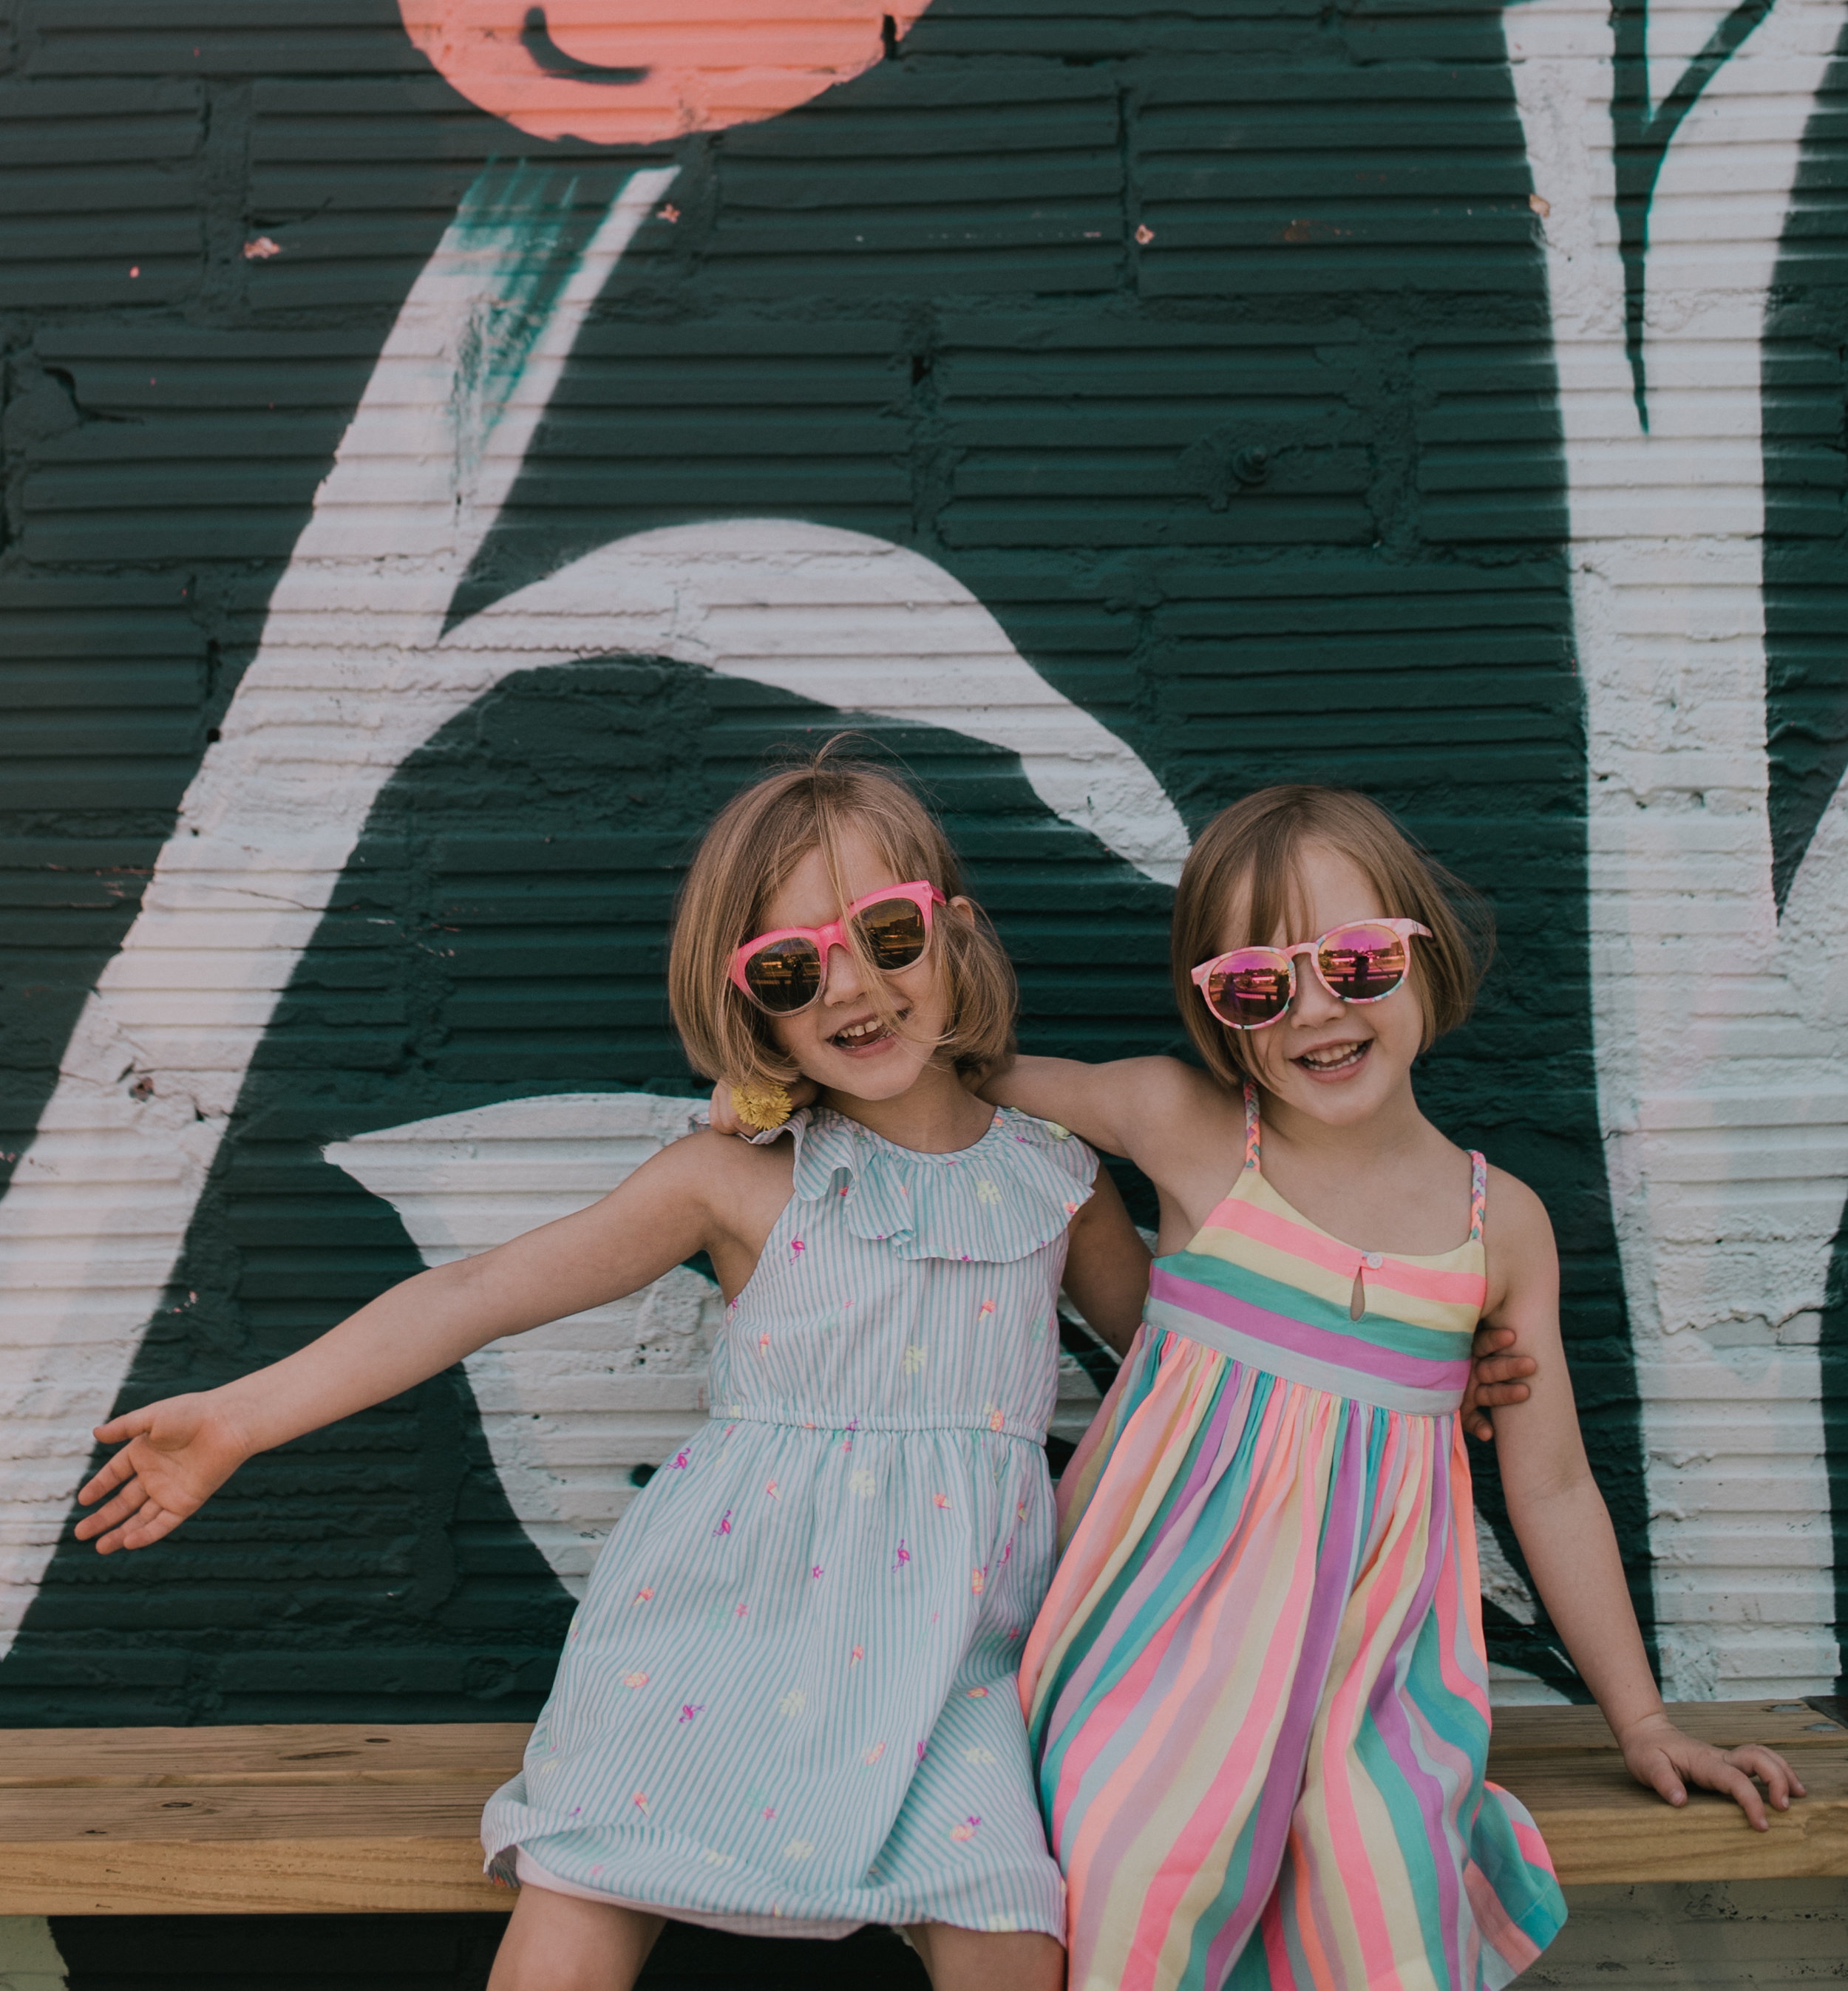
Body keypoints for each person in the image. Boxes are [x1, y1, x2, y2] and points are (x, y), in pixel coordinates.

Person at [72, 752, 1153, 1991]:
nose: (851, 984)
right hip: (714, 1630)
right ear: (754, 1005)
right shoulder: (739, 1180)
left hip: (952, 1663)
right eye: (793, 969)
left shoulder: (1057, 1184)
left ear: (954, 933)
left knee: (1012, 1925)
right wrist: (242, 1415)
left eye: (887, 933)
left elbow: (1190, 1373)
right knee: (581, 1896)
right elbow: (474, 1291)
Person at [978, 782, 1804, 1991]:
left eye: (1357, 962)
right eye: (1259, 984)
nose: (1316, 1005)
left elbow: (1557, 1483)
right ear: (1222, 1014)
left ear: (1423, 953)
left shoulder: (1497, 1225)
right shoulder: (1190, 1130)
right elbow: (967, 1082)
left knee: (1382, 1889)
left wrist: (1643, 1718)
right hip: (1155, 1650)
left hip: (1368, 1675)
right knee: (1135, 1853)